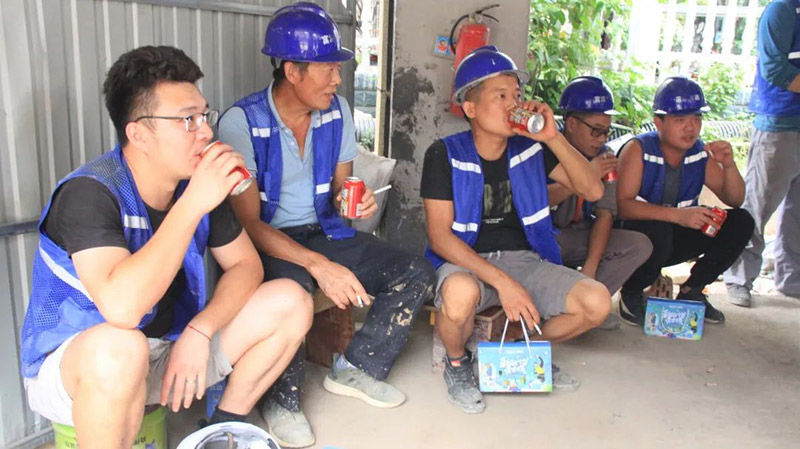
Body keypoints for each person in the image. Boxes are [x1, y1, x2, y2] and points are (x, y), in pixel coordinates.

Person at [19, 45, 312, 448]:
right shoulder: (90, 193)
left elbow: (247, 266)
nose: (205, 132)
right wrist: (193, 204)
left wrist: (200, 330)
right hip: (78, 366)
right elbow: (123, 310)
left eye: (204, 116)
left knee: (291, 300)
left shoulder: (196, 185)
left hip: (167, 351)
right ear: (138, 134)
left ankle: (220, 429)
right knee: (121, 349)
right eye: (187, 120)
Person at [219, 3, 435, 447]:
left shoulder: (337, 112)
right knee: (293, 293)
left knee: (415, 272)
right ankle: (281, 400)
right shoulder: (242, 123)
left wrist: (354, 200)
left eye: (338, 68)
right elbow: (249, 225)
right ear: (291, 71)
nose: (338, 79)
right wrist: (318, 266)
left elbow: (342, 189)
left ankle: (356, 368)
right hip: (268, 241)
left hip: (323, 230)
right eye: (328, 69)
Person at [421, 45, 612, 414]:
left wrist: (553, 137)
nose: (514, 104)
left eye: (517, 95)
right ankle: (457, 363)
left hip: (525, 260)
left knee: (596, 302)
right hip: (467, 262)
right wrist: (504, 284)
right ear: (471, 108)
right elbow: (440, 237)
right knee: (459, 295)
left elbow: (593, 190)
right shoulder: (444, 154)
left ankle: (513, 351)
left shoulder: (532, 147)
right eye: (501, 96)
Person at [616, 76, 755, 325]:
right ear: (658, 122)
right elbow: (623, 206)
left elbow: (735, 199)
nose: (690, 128)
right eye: (680, 120)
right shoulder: (638, 149)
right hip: (636, 239)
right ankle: (632, 291)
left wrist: (729, 165)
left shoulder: (699, 153)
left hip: (675, 238)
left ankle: (693, 290)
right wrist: (678, 216)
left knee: (741, 222)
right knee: (659, 230)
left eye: (696, 118)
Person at [549, 76, 654, 330]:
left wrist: (591, 266)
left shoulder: (605, 156)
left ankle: (590, 307)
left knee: (638, 245)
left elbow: (606, 214)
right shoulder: (544, 148)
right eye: (595, 130)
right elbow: (540, 201)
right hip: (543, 236)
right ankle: (549, 309)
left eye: (606, 131)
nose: (601, 138)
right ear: (571, 123)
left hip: (579, 234)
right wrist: (586, 176)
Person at [725, 0, 800, 305]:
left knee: (797, 214)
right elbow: (774, 68)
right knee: (757, 206)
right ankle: (737, 277)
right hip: (779, 124)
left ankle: (792, 281)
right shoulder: (781, 9)